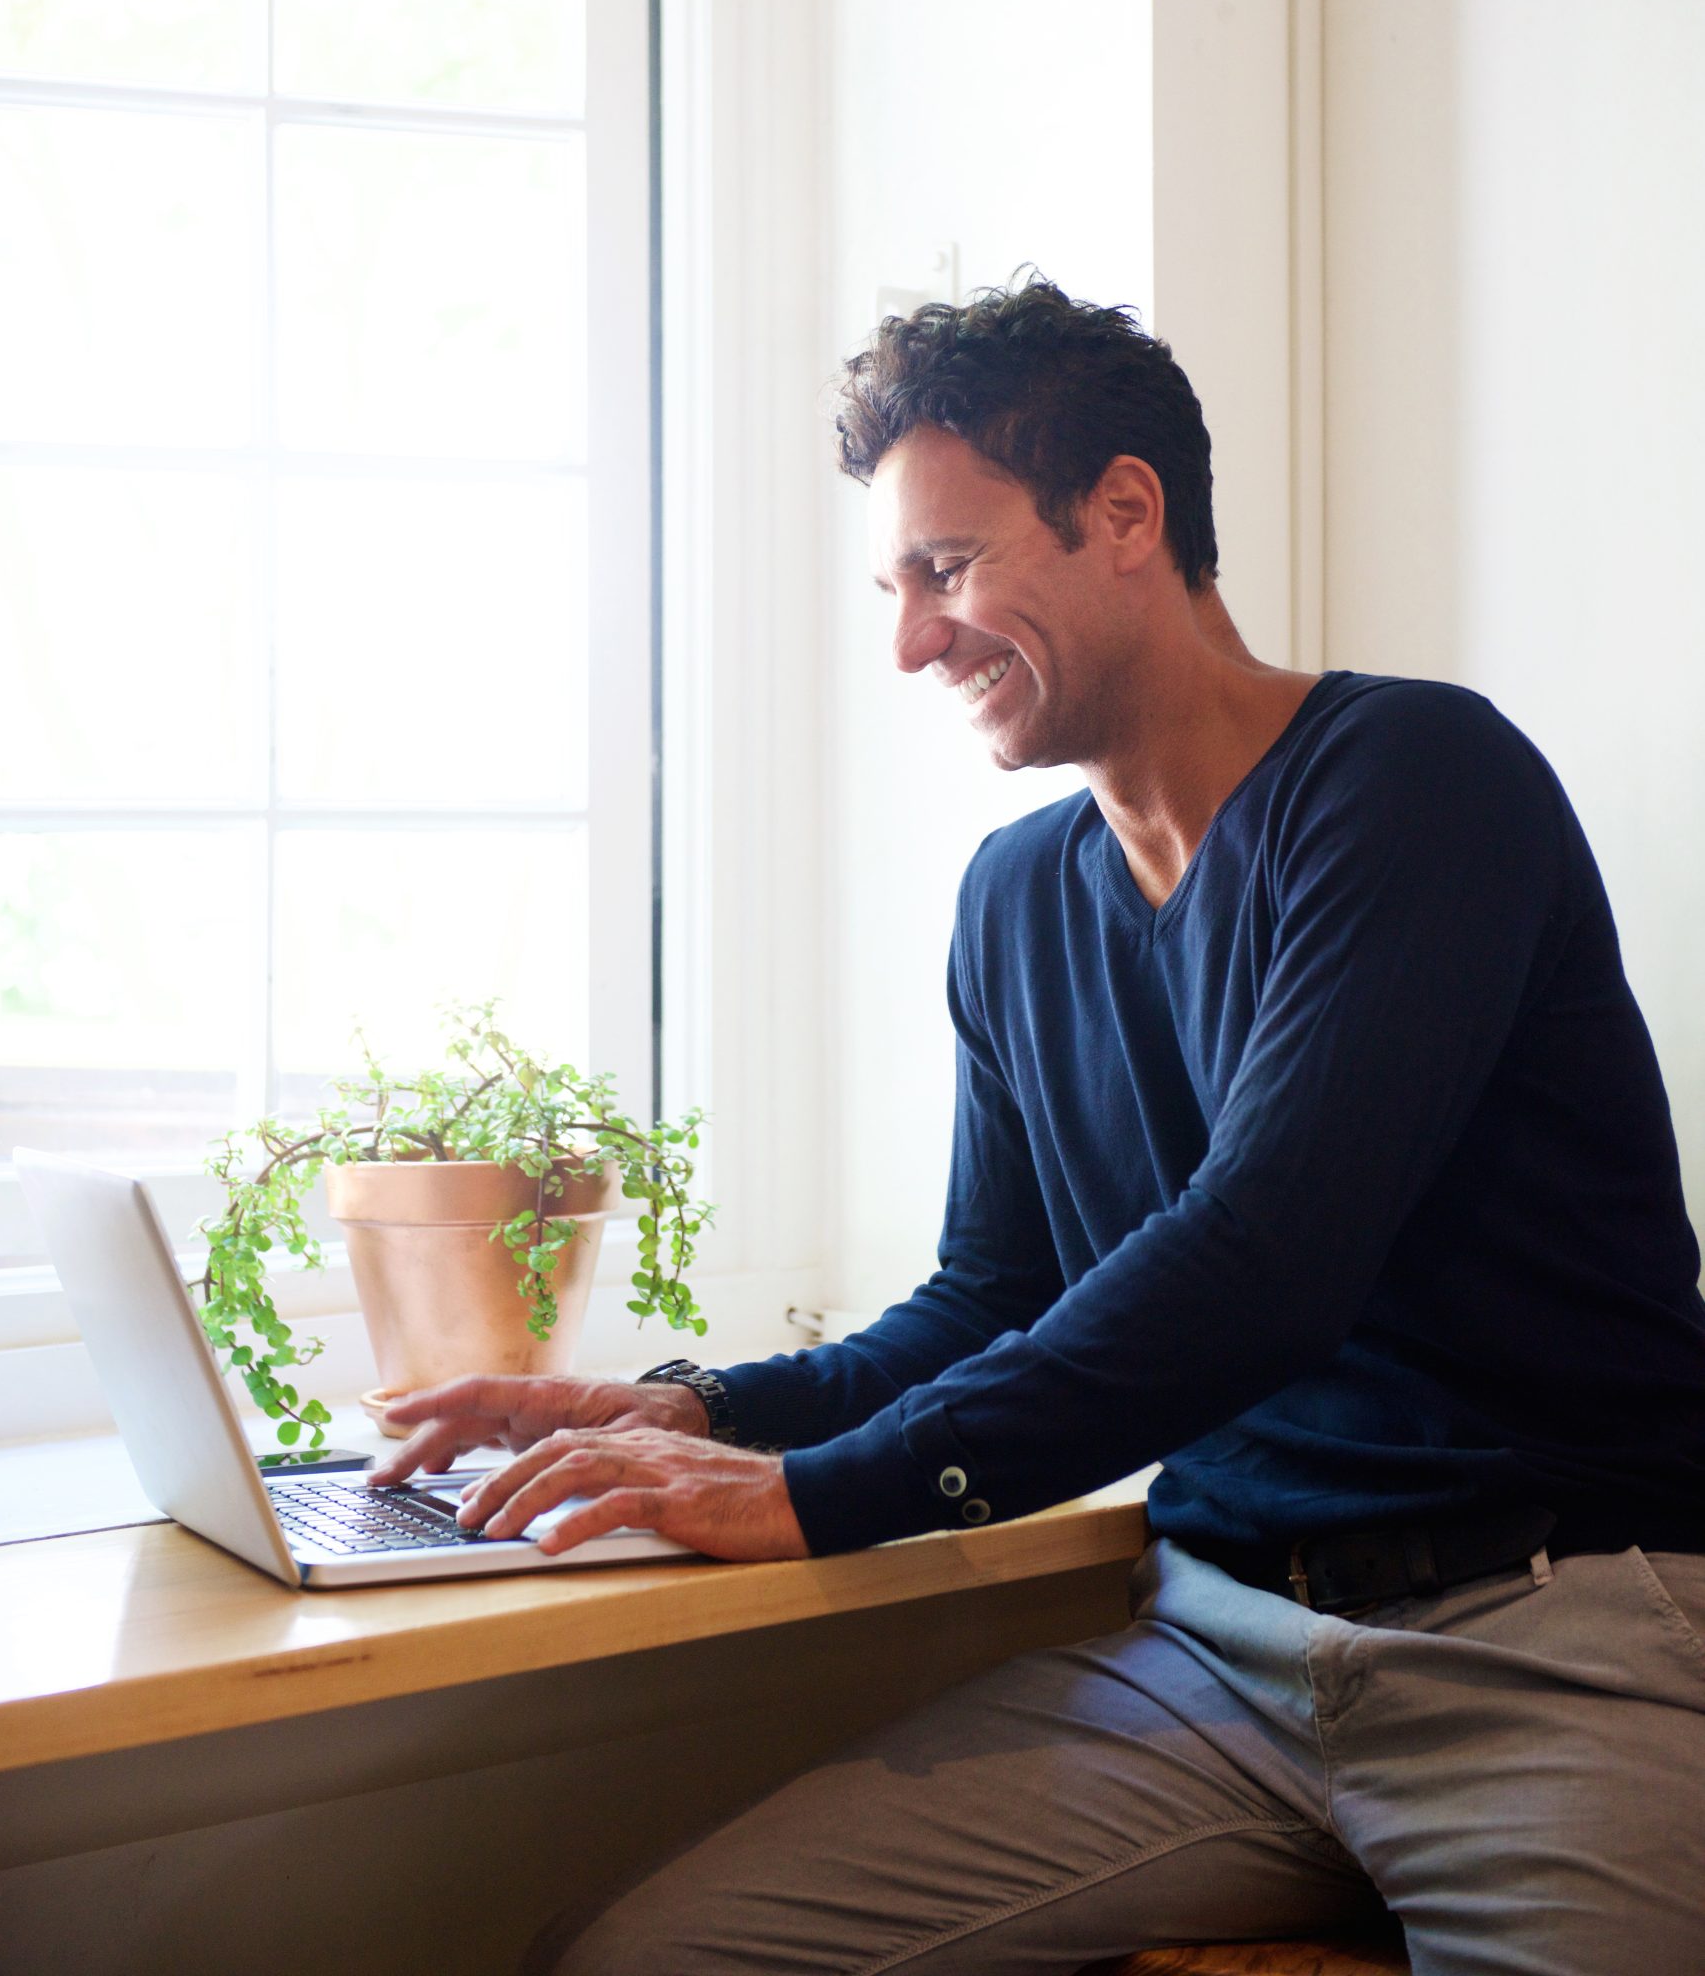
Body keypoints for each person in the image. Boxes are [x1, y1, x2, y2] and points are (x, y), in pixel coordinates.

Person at [374, 279, 1705, 1975]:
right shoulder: (1014, 900)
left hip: (1556, 1627)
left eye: (946, 569)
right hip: (1217, 1660)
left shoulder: (1414, 779)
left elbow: (1263, 1261)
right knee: (641, 1959)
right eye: (894, 589)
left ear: (1124, 514)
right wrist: (686, 1408)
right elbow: (986, 1294)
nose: (912, 643)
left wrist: (817, 1498)